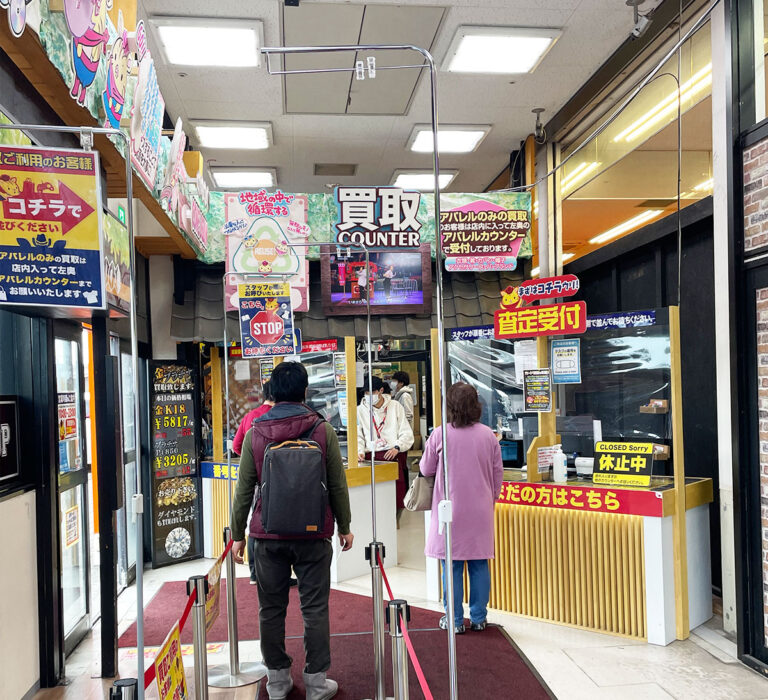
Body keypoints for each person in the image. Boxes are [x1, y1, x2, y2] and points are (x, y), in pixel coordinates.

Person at [231, 362, 353, 700]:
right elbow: (336, 485)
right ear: (304, 391)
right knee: (314, 608)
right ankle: (316, 682)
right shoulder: (322, 429)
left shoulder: (256, 431)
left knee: (270, 609)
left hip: (266, 536)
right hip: (314, 535)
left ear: (271, 391)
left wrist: (238, 535)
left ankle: (278, 682)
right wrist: (345, 526)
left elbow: (243, 489)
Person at [420, 382, 503, 634]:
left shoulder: (440, 435)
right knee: (479, 564)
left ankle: (454, 620)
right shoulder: (489, 435)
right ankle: (479, 617)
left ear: (450, 406)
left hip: (450, 511)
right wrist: (489, 500)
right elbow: (497, 475)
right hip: (480, 510)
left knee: (451, 565)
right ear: (476, 406)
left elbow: (425, 469)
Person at [357, 376, 414, 521]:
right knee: (372, 495)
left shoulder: (395, 406)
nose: (369, 396)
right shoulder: (359, 410)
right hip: (371, 457)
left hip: (392, 454)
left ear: (381, 390)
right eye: (366, 393)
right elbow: (358, 435)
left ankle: (394, 520)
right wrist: (359, 452)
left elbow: (406, 433)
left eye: (372, 392)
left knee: (395, 493)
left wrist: (397, 446)